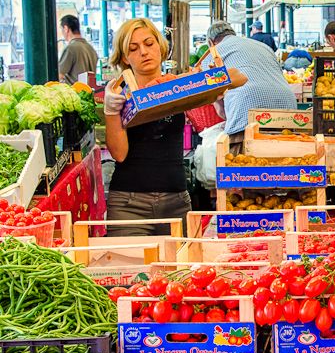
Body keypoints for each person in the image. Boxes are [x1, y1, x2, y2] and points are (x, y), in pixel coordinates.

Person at [102, 18, 194, 236]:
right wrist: (111, 111)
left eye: (149, 43)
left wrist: (214, 91)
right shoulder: (118, 92)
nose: (144, 52)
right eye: (133, 48)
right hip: (129, 206)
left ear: (161, 47)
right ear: (125, 57)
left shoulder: (176, 85)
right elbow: (119, 154)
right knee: (130, 270)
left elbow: (236, 80)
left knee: (178, 270)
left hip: (177, 202)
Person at [203, 22, 297, 138]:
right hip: (287, 104)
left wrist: (228, 117)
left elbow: (213, 94)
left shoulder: (214, 52)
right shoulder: (263, 46)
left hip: (247, 105)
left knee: (242, 152)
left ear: (211, 42)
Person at [58, 15, 99, 85]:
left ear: (66, 28)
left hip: (74, 92)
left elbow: (60, 75)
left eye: (61, 29)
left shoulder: (70, 48)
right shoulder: (91, 48)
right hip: (89, 92)